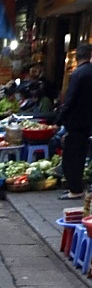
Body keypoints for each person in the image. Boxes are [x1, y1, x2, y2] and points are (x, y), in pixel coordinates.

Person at [57, 43, 92, 200]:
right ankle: (78, 187)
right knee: (81, 154)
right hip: (88, 123)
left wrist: (58, 120)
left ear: (77, 58)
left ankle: (75, 189)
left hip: (76, 122)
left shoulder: (78, 74)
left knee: (71, 157)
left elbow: (70, 101)